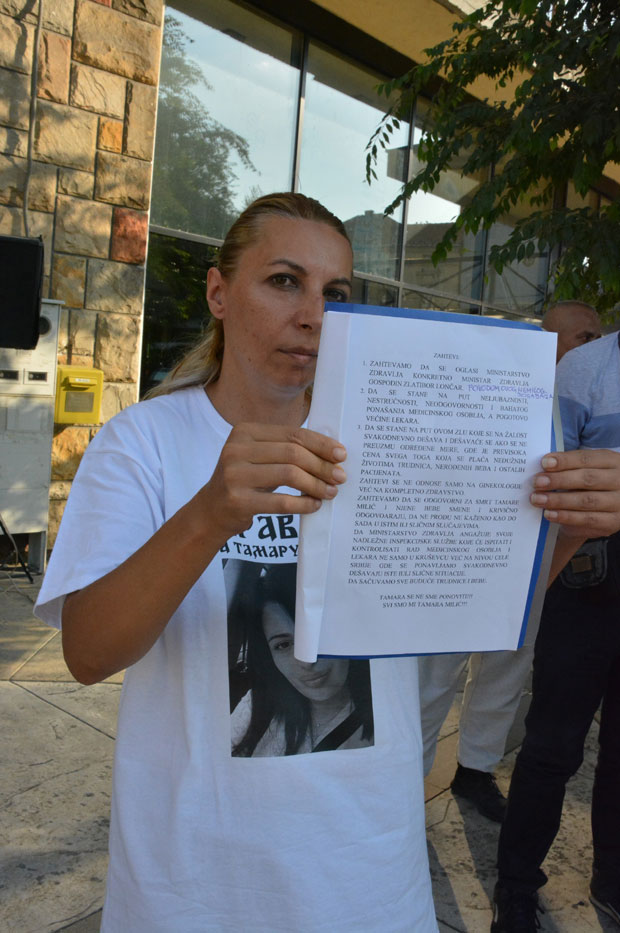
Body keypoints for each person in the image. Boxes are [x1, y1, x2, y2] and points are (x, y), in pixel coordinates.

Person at [35, 193, 439, 932]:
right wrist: (211, 513)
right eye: (285, 281)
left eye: (336, 292)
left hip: (373, 878)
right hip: (199, 886)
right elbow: (88, 653)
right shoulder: (144, 443)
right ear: (219, 294)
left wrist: (561, 534)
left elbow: (452, 622)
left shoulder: (388, 439)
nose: (314, 315)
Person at [418, 301, 603, 824]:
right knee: (437, 669)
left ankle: (475, 768)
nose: (593, 346)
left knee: (507, 665)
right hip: (463, 546)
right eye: (583, 337)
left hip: (536, 549)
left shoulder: (581, 399)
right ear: (549, 341)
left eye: (595, 337)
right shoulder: (487, 388)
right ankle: (407, 776)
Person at [492, 330, 620, 932]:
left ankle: (611, 881)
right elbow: (538, 480)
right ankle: (516, 885)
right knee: (550, 748)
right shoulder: (587, 367)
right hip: (588, 581)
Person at [230, 561, 374, 756]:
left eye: (318, 636)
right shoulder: (256, 704)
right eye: (283, 645)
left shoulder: (385, 717)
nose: (306, 662)